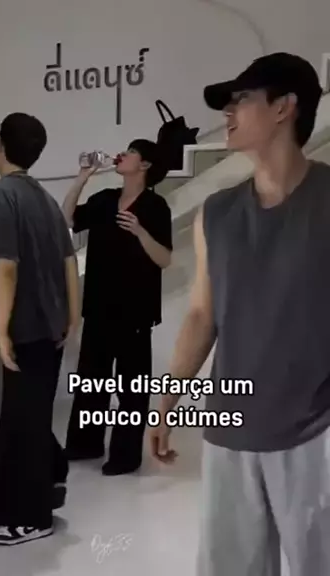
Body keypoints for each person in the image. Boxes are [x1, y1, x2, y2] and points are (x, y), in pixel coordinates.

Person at [150, 53, 330, 576]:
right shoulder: (217, 213)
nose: (227, 113)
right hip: (230, 431)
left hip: (317, 431)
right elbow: (201, 314)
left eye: (242, 99)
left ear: (284, 108)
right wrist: (168, 401)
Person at [0, 112, 80, 546]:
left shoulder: (0, 197)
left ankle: (34, 517)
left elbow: (6, 269)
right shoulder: (45, 199)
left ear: (1, 146)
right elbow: (69, 261)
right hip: (50, 328)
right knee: (31, 418)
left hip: (25, 329)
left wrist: (1, 332)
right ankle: (49, 481)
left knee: (24, 423)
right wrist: (73, 316)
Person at [63, 139, 173, 476]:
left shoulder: (155, 207)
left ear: (145, 165)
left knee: (131, 389)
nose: (123, 154)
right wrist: (83, 176)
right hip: (98, 306)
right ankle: (84, 444)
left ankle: (126, 456)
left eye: (133, 152)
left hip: (135, 313)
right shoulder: (104, 199)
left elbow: (164, 259)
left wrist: (140, 232)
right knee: (91, 382)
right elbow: (67, 217)